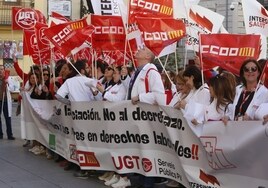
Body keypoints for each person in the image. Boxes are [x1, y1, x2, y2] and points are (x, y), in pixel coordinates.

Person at [0, 65, 15, 140]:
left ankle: (10, 134)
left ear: (4, 70)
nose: (0, 71)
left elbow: (13, 88)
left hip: (6, 100)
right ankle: (0, 134)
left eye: (2, 69)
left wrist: (7, 84)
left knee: (8, 118)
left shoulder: (8, 78)